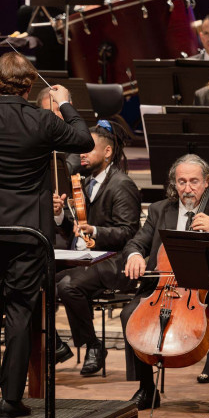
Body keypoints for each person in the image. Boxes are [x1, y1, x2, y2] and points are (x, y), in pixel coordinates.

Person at [0, 52, 93, 418]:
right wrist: (65, 104)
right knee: (19, 310)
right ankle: (10, 400)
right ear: (31, 86)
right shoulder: (43, 120)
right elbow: (84, 140)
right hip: (27, 232)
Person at [121, 154, 209, 412]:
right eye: (181, 182)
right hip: (165, 287)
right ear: (173, 184)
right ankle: (146, 388)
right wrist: (134, 256)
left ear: (208, 183)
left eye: (194, 182)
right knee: (128, 314)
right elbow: (137, 242)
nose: (187, 188)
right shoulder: (159, 210)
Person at [54, 121, 140, 376]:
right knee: (36, 279)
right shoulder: (82, 183)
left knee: (68, 285)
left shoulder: (121, 184)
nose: (82, 154)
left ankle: (93, 345)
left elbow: (129, 233)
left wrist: (97, 231)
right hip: (85, 257)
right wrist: (60, 216)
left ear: (108, 152)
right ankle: (55, 345)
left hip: (114, 260)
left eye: (88, 148)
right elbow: (77, 225)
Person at [37, 86, 82, 175]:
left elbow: (67, 169)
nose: (56, 116)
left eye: (59, 109)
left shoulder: (79, 136)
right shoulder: (36, 136)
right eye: (50, 112)